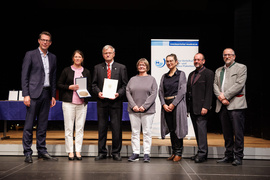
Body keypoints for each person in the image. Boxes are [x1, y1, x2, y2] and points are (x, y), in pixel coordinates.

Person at [21, 31, 57, 163]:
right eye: (43, 40)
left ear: (50, 43)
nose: (45, 42)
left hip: (46, 94)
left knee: (43, 125)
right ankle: (27, 152)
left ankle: (42, 150)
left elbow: (53, 78)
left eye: (47, 40)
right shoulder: (30, 54)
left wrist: (53, 95)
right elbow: (24, 76)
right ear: (38, 41)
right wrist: (26, 94)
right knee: (29, 125)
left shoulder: (53, 57)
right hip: (33, 94)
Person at [92, 45, 128, 161]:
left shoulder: (121, 67)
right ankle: (101, 152)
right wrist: (98, 93)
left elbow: (125, 85)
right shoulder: (97, 68)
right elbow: (93, 85)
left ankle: (116, 152)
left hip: (115, 102)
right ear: (103, 55)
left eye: (110, 53)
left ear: (114, 54)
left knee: (116, 128)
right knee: (102, 128)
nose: (108, 54)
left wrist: (118, 94)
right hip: (102, 102)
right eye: (105, 53)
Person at [213, 48, 247, 166]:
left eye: (229, 55)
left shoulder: (241, 68)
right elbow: (215, 85)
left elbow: (239, 84)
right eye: (225, 55)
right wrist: (221, 98)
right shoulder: (219, 70)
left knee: (238, 132)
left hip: (236, 105)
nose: (227, 56)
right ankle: (228, 155)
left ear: (234, 56)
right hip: (222, 105)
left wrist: (226, 96)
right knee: (226, 133)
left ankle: (238, 156)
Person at [57, 50, 91, 161]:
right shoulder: (66, 70)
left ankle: (78, 151)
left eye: (79, 56)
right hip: (68, 103)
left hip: (82, 104)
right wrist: (69, 87)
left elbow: (90, 86)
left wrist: (86, 92)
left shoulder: (86, 72)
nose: (77, 58)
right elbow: (59, 84)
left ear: (82, 59)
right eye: (75, 56)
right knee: (69, 128)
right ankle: (70, 151)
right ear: (73, 58)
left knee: (80, 128)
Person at [126, 58, 157, 163]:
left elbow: (154, 94)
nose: (141, 66)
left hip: (147, 111)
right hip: (133, 110)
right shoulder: (132, 79)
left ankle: (146, 153)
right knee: (135, 132)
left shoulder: (152, 79)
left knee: (147, 132)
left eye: (143, 65)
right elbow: (128, 92)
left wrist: (145, 106)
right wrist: (133, 105)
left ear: (147, 67)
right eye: (139, 65)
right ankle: (135, 153)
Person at [158, 53, 188, 162]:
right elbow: (160, 91)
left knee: (177, 129)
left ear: (176, 62)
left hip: (177, 104)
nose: (169, 63)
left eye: (171, 61)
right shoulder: (164, 76)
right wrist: (164, 104)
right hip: (166, 105)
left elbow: (182, 91)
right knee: (171, 129)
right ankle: (174, 152)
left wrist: (173, 104)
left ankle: (179, 153)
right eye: (167, 61)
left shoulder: (181, 74)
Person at [186, 53, 214, 163]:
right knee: (197, 131)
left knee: (202, 131)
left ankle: (202, 153)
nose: (196, 61)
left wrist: (206, 106)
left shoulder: (208, 73)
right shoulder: (191, 74)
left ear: (203, 61)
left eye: (199, 59)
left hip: (202, 108)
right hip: (193, 108)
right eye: (195, 59)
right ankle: (200, 151)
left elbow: (209, 91)